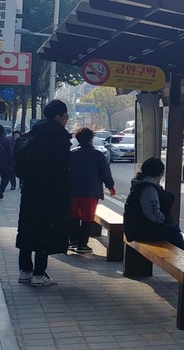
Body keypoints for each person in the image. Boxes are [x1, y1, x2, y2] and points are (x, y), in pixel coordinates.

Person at [16, 99, 72, 287]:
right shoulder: (59, 138)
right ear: (59, 117)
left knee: (26, 228)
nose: (66, 120)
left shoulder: (31, 135)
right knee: (45, 231)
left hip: (30, 190)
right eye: (66, 117)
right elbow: (63, 169)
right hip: (51, 193)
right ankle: (39, 274)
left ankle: (25, 271)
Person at [68, 128, 116, 253]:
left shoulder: (71, 154)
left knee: (74, 216)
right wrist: (110, 186)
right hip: (90, 191)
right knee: (87, 217)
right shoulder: (98, 155)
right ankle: (82, 244)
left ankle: (73, 241)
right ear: (91, 139)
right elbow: (105, 173)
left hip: (72, 191)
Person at [124, 157, 184, 250]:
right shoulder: (149, 188)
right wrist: (165, 220)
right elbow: (154, 215)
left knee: (174, 232)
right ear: (160, 173)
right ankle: (182, 263)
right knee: (175, 235)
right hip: (143, 230)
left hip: (135, 227)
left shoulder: (140, 183)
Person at [0, 127, 14, 199]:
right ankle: (1, 189)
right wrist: (11, 163)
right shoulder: (6, 140)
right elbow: (10, 153)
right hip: (4, 163)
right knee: (5, 177)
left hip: (3, 163)